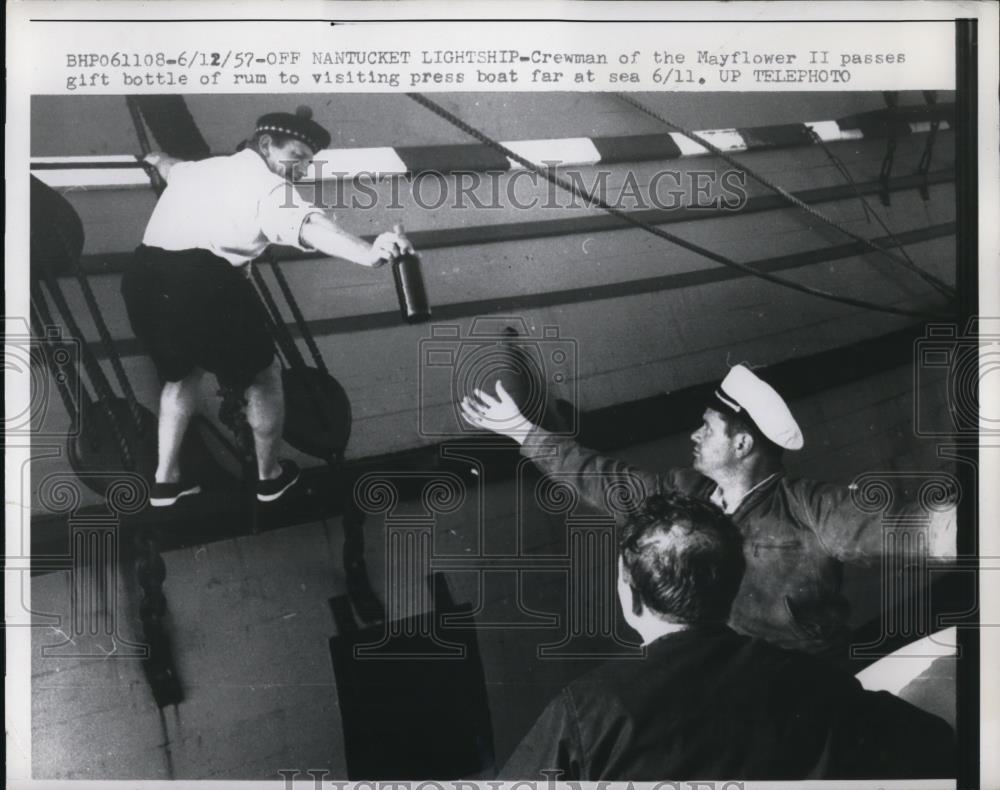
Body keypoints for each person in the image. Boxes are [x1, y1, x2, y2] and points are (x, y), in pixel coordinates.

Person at [460, 365, 955, 656]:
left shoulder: (809, 508)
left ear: (742, 444)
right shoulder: (685, 493)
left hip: (795, 686)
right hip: (717, 673)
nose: (694, 436)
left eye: (707, 428)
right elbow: (606, 481)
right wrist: (525, 433)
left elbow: (903, 529)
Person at [500, 492, 955, 781]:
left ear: (630, 596)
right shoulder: (813, 683)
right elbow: (936, 746)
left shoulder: (585, 712)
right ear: (734, 586)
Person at [122, 107, 412, 506]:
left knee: (180, 376)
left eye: (308, 164)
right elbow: (312, 227)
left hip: (141, 278)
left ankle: (166, 482)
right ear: (264, 145)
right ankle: (268, 478)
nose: (300, 171)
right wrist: (369, 254)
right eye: (295, 159)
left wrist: (152, 159)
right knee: (264, 376)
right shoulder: (269, 188)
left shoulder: (200, 170)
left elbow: (169, 166)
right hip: (201, 281)